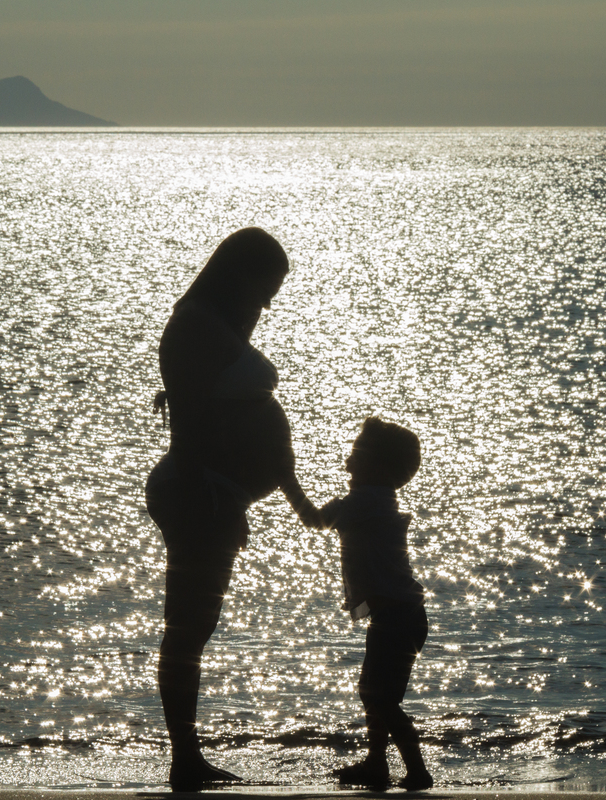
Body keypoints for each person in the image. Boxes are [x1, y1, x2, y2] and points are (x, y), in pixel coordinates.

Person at [146, 227, 316, 791]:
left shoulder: (215, 324)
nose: (268, 303)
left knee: (197, 626)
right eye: (265, 287)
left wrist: (298, 503)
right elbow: (192, 425)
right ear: (235, 274)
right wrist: (212, 500)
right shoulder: (192, 327)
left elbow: (251, 424)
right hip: (200, 494)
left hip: (219, 493)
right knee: (188, 628)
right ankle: (184, 759)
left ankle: (187, 756)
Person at [308, 417, 433, 790]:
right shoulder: (373, 499)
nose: (347, 465)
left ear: (377, 467)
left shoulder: (363, 501)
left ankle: (417, 770)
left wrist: (286, 479)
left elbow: (314, 519)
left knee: (378, 696)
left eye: (355, 458)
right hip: (398, 615)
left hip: (396, 616)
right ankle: (377, 764)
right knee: (376, 694)